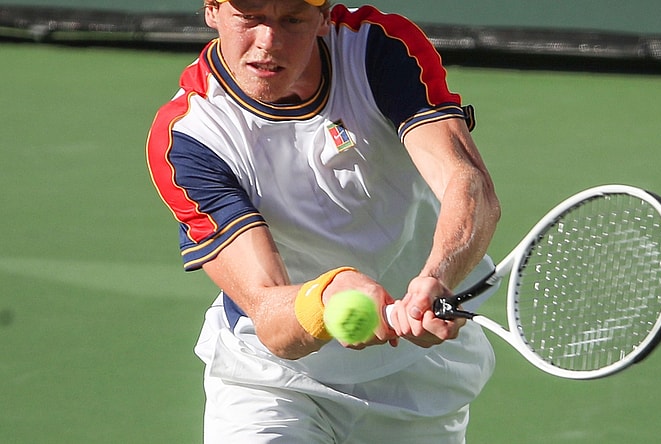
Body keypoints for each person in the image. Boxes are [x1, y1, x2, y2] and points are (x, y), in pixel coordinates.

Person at [146, 0, 501, 442]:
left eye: (292, 19)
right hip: (272, 383)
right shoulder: (190, 137)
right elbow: (268, 315)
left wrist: (437, 276)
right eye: (249, 17)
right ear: (212, 11)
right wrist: (326, 296)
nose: (268, 42)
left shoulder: (375, 49)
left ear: (323, 17)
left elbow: (468, 184)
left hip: (420, 382)